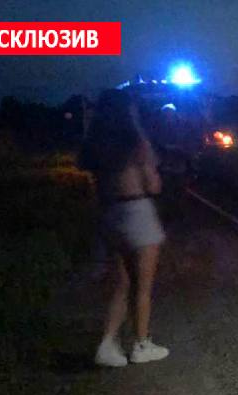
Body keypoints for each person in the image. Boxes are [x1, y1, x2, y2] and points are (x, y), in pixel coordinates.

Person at [79, 89, 170, 367]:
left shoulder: (95, 145)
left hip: (110, 214)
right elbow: (153, 185)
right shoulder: (136, 142)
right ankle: (141, 344)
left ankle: (107, 344)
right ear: (128, 112)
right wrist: (155, 176)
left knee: (122, 283)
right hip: (137, 213)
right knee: (142, 286)